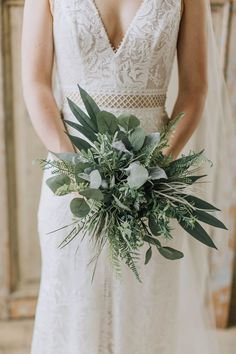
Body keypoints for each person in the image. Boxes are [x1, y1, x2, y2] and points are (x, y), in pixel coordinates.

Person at [21, 0, 228, 353]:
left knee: (145, 318)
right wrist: (77, 168)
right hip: (73, 185)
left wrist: (153, 169)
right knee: (75, 317)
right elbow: (35, 82)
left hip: (154, 186)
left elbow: (195, 90)